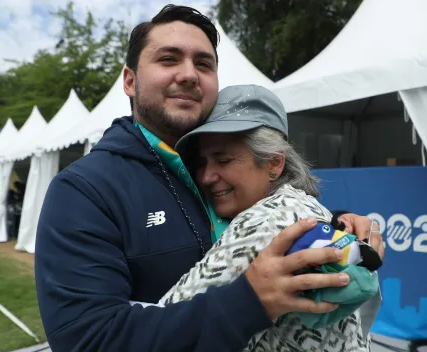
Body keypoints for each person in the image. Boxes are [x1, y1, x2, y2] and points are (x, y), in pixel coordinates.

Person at [34, 5, 384, 352]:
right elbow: (88, 340)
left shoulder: (203, 168)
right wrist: (248, 303)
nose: (189, 74)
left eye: (203, 64)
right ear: (130, 80)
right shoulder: (83, 189)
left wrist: (335, 225)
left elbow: (260, 217)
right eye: (168, 59)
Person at [158, 84, 381, 351]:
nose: (206, 176)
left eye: (224, 160)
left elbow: (162, 331)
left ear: (274, 163)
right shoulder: (305, 208)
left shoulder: (264, 222)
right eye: (203, 162)